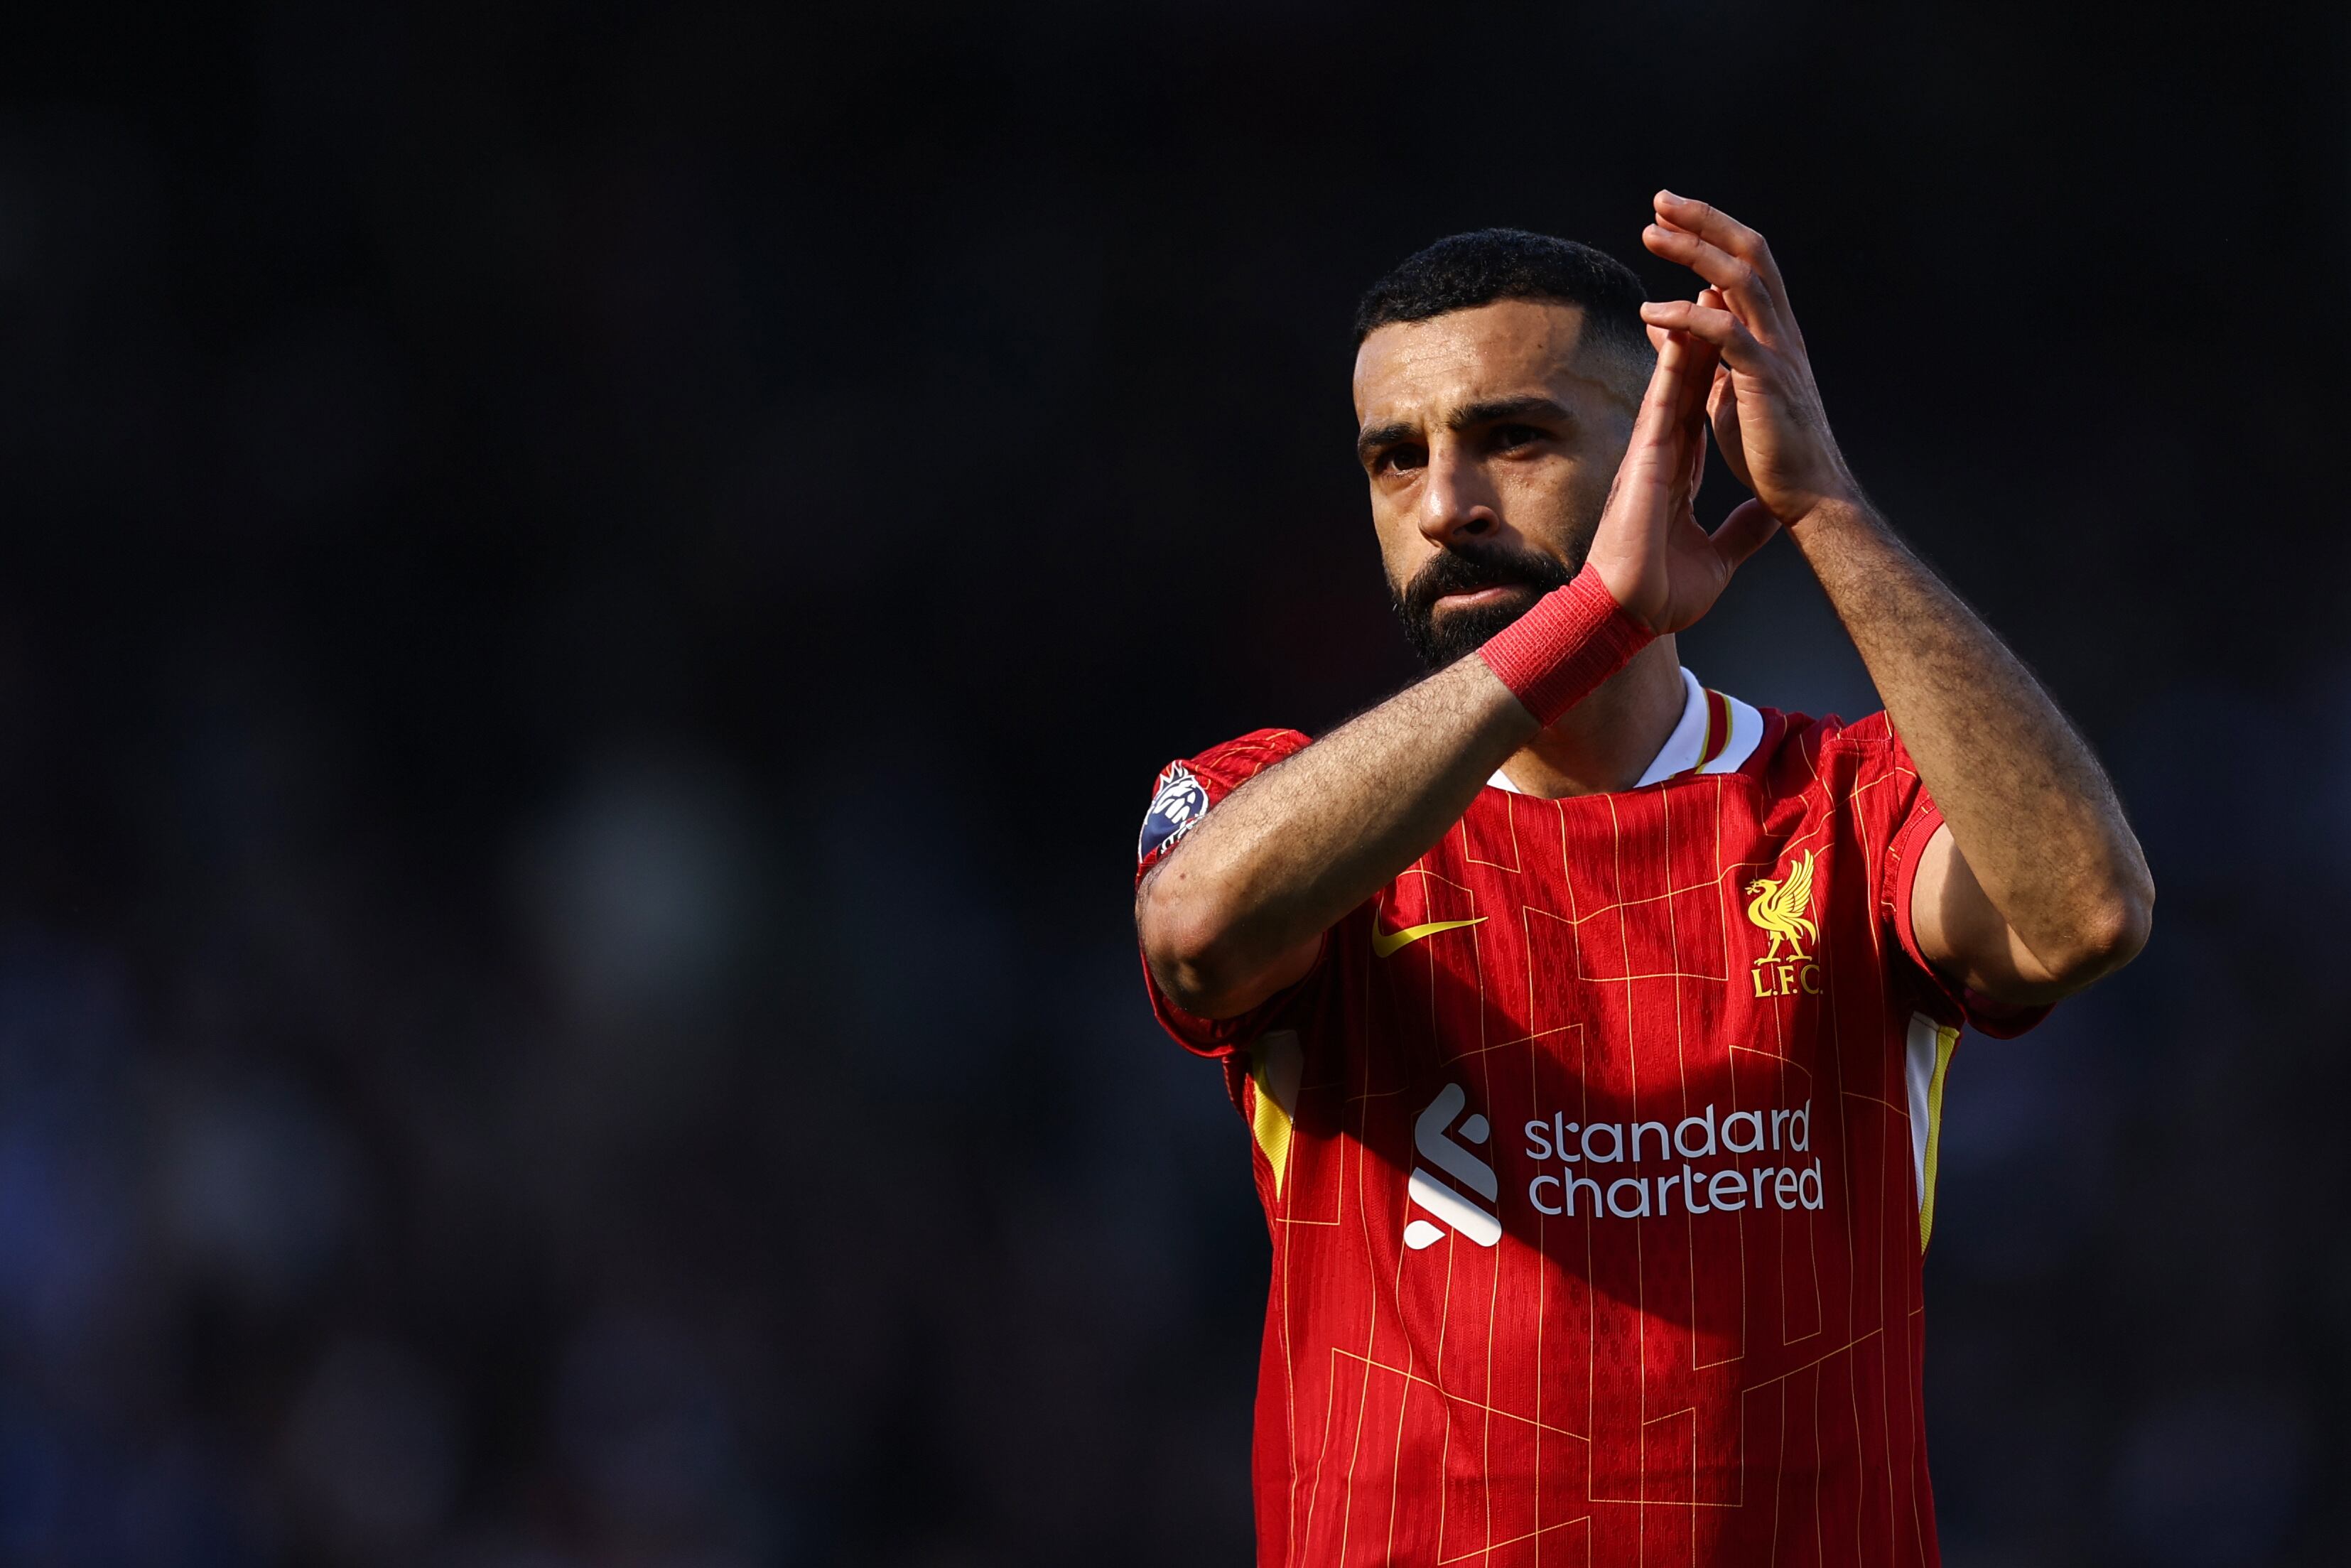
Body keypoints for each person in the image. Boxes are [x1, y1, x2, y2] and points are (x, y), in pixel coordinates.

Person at [1130, 192, 2153, 1565]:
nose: (1443, 505)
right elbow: (1194, 932)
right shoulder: (1283, 807)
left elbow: (2083, 911)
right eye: (1394, 460)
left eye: (1513, 437)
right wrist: (1589, 618)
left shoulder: (1845, 806)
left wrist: (1824, 508)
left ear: (1666, 458)